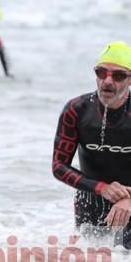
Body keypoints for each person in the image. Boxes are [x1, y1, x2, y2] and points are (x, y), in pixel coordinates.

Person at [52, 41, 131, 248]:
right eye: (101, 72)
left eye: (118, 75)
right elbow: (58, 166)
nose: (107, 81)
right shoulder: (76, 110)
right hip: (91, 199)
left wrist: (128, 198)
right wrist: (101, 188)